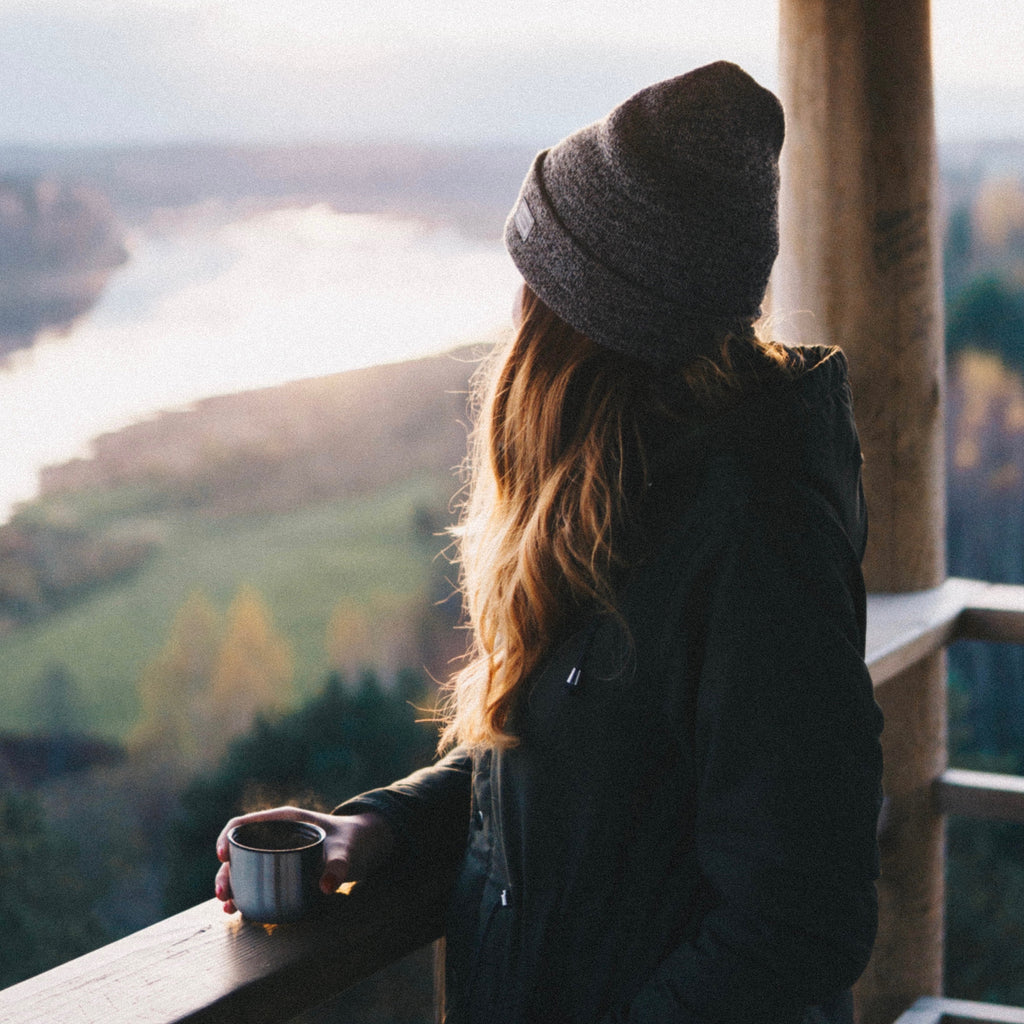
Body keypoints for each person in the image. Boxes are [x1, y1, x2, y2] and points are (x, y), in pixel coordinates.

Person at [215, 61, 884, 1024]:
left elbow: (799, 923)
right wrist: (382, 827)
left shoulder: (755, 544)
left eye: (535, 281)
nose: (515, 311)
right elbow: (560, 769)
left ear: (589, 321)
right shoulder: (620, 500)